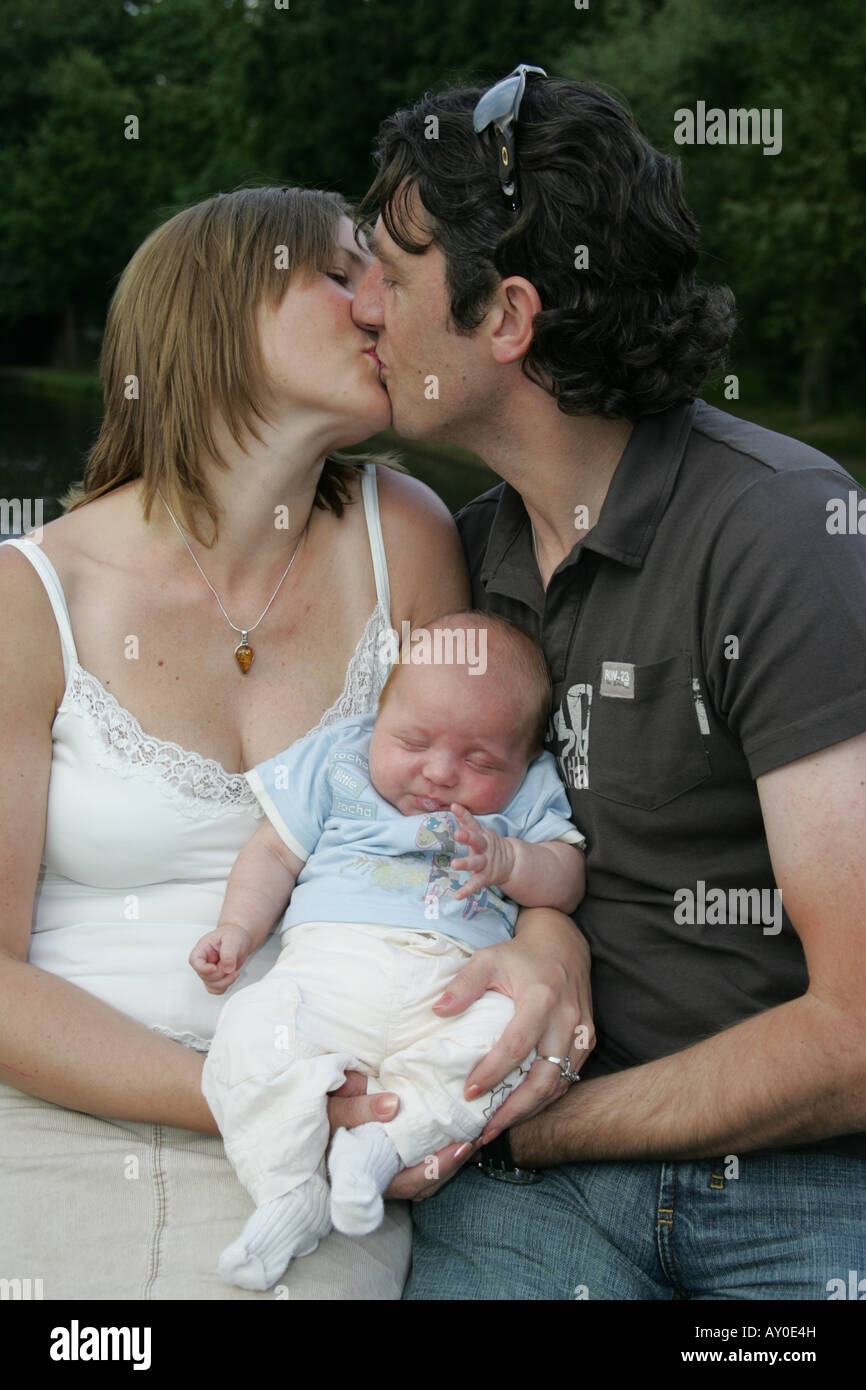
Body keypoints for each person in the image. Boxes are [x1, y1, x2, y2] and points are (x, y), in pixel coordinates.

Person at [0, 184, 593, 1300]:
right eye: (340, 273)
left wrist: (552, 940)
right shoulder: (29, 597)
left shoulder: (401, 535)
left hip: (338, 1139)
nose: (382, 306)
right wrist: (253, 1089)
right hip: (56, 1118)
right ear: (216, 316)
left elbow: (492, 796)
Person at [352, 69, 866, 1299]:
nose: (360, 306)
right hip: (539, 1194)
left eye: (391, 268)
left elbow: (857, 1030)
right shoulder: (460, 555)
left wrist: (525, 1131)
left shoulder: (783, 533)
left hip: (801, 1176)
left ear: (507, 315)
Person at [190, 611, 586, 1290]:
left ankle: (383, 1147)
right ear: (378, 717)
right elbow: (274, 853)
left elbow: (566, 877)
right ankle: (288, 1191)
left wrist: (512, 859)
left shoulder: (526, 792)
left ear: (523, 761)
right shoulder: (336, 759)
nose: (439, 772)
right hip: (329, 975)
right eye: (412, 740)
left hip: (455, 983)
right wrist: (237, 930)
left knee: (501, 1041)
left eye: (480, 760)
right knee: (246, 1034)